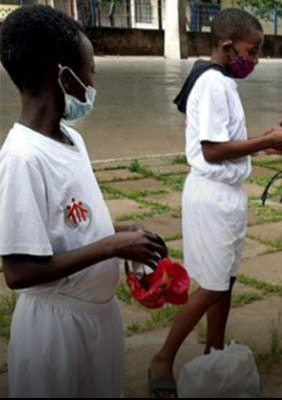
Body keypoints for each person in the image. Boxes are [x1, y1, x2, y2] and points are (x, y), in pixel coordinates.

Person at [0, 5, 168, 397]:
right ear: (63, 77)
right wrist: (111, 245)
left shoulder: (72, 140)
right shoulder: (22, 159)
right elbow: (19, 272)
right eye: (90, 72)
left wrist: (124, 233)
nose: (93, 84)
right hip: (55, 331)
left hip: (98, 318)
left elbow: (75, 224)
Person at [148, 8, 282, 397]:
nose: (257, 59)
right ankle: (163, 356)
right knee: (214, 285)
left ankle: (213, 349)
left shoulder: (219, 82)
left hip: (227, 195)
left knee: (225, 281)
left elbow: (227, 143)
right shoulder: (215, 84)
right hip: (213, 196)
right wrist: (267, 142)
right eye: (253, 50)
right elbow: (214, 150)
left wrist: (268, 138)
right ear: (228, 46)